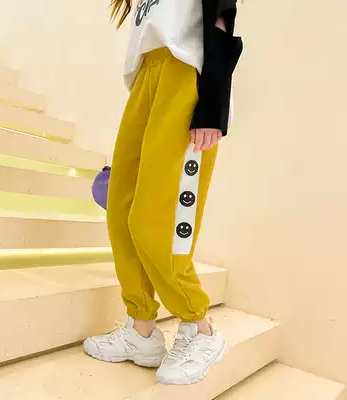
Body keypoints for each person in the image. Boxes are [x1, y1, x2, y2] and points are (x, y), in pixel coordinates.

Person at [84, 0, 243, 385]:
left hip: (184, 74)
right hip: (145, 79)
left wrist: (212, 104)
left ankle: (200, 327)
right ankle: (141, 330)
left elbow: (220, 19)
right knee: (121, 213)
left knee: (156, 217)